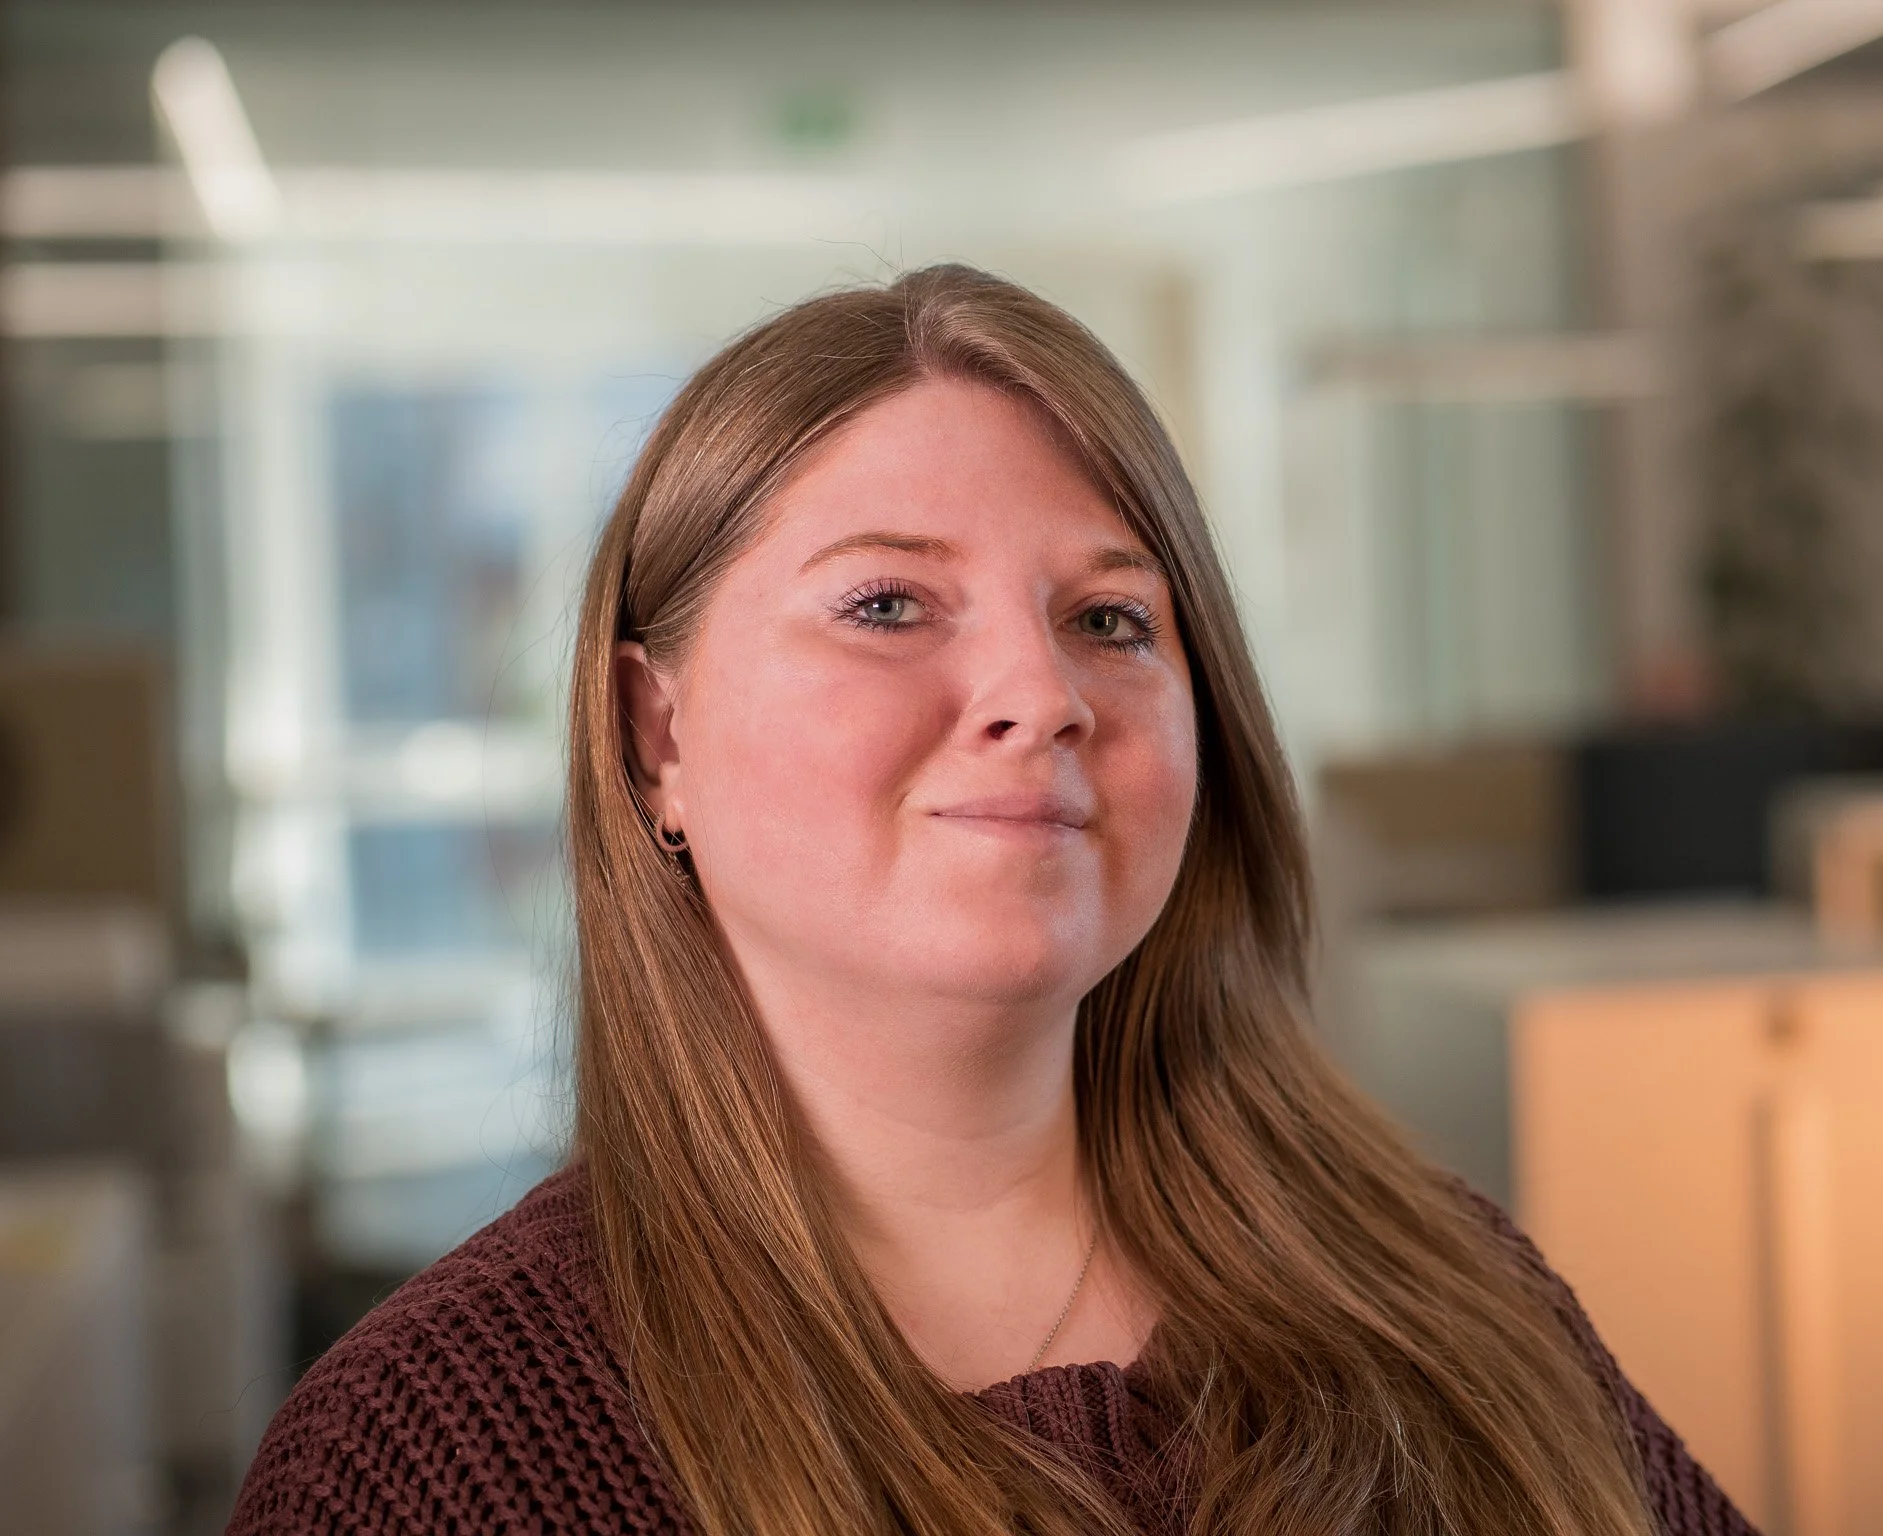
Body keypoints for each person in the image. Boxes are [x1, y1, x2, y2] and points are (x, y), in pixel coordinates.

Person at [227, 266, 1756, 1536]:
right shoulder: (431, 1455)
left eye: (1110, 619)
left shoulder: (1448, 1289)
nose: (1042, 693)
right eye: (888, 604)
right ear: (656, 735)